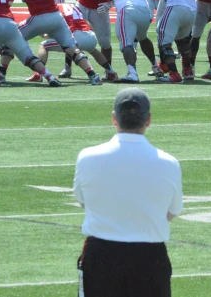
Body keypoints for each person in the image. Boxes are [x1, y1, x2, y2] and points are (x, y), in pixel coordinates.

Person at [74, 87, 182, 297]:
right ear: (148, 119)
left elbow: (83, 201)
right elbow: (172, 211)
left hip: (101, 256)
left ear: (114, 119)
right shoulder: (169, 163)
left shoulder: (87, 157)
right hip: (150, 257)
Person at [10, 0, 103, 85]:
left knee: (13, 37)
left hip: (39, 17)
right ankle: (92, 74)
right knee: (72, 48)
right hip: (56, 17)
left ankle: (0, 72)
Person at [90, 0, 154, 83]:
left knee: (126, 44)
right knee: (143, 38)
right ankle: (156, 66)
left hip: (127, 10)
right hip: (144, 10)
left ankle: (132, 73)